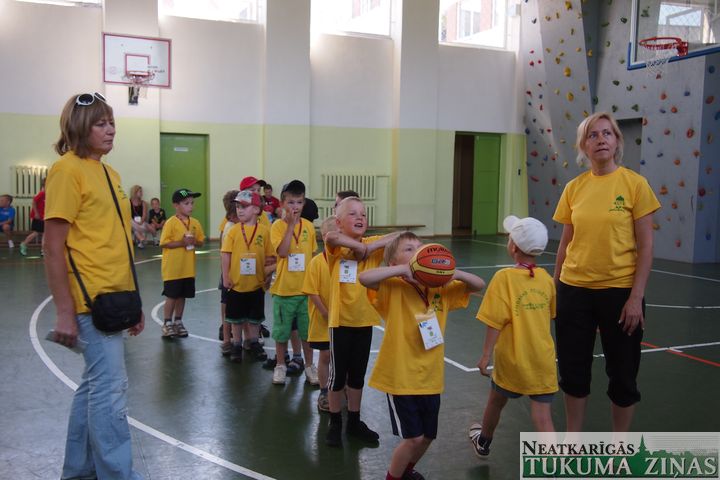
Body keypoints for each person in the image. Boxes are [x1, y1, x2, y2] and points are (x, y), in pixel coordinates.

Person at [43, 91, 144, 479]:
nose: (110, 130)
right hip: (90, 301)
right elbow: (53, 247)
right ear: (80, 127)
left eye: (112, 122)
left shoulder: (109, 173)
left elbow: (117, 241)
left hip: (117, 297)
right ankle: (117, 474)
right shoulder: (66, 170)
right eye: (101, 124)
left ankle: (79, 470)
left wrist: (135, 303)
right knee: (110, 389)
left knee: (95, 386)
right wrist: (64, 311)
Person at [553, 112, 660, 432]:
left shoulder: (635, 185)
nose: (600, 140)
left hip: (620, 293)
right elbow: (565, 243)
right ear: (583, 146)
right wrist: (555, 289)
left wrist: (636, 298)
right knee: (573, 372)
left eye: (607, 133)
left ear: (617, 142)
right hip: (574, 291)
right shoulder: (574, 188)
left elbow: (646, 247)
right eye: (592, 135)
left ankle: (619, 445)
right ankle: (573, 440)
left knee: (623, 375)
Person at [360, 232, 485, 480]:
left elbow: (478, 284)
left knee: (427, 436)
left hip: (430, 377)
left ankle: (406, 471)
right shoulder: (392, 286)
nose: (417, 252)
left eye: (420, 248)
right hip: (400, 376)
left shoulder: (441, 288)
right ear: (394, 262)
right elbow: (365, 277)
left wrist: (454, 273)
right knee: (413, 438)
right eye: (409, 249)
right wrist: (401, 271)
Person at [468, 215, 556, 458]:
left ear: (514, 247)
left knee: (496, 402)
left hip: (512, 360)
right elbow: (550, 313)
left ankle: (483, 442)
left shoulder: (504, 278)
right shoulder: (546, 280)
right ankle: (554, 464)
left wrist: (486, 355)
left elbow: (494, 321)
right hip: (543, 360)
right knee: (543, 417)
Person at [323, 196, 401, 447]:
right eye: (353, 214)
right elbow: (330, 237)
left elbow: (400, 235)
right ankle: (335, 421)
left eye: (363, 214)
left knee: (357, 376)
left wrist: (369, 246)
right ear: (339, 222)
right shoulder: (337, 249)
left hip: (365, 322)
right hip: (340, 323)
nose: (360, 218)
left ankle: (354, 422)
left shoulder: (370, 245)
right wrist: (359, 248)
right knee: (337, 378)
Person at [268, 180, 319, 385]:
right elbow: (282, 252)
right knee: (282, 333)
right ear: (282, 204)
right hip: (284, 291)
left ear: (303, 203)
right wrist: (290, 226)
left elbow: (313, 257)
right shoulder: (277, 226)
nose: (295, 207)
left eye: (299, 202)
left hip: (305, 292)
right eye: (290, 202)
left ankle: (309, 366)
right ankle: (280, 365)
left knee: (307, 333)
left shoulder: (309, 227)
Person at [221, 190, 275, 362]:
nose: (240, 210)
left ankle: (254, 342)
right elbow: (225, 254)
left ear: (257, 210)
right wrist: (225, 277)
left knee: (254, 318)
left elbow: (270, 257)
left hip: (256, 284)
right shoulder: (233, 231)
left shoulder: (264, 232)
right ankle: (237, 344)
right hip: (236, 284)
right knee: (236, 318)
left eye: (244, 206)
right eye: (238, 207)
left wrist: (268, 278)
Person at [301, 215, 338, 411]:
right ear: (324, 237)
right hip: (323, 321)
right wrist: (324, 312)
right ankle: (324, 391)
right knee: (325, 356)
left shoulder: (345, 261)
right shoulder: (316, 262)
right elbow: (311, 290)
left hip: (342, 321)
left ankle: (340, 388)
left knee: (341, 357)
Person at [159, 188, 206, 339]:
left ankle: (178, 321)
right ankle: (167, 323)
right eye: (186, 203)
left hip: (188, 268)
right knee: (172, 296)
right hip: (173, 269)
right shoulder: (171, 223)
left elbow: (201, 242)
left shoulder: (195, 223)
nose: (190, 206)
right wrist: (182, 242)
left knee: (182, 296)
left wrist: (194, 241)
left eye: (192, 203)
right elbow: (164, 243)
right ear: (176, 205)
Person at [218, 190, 240, 356]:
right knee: (229, 309)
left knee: (230, 308)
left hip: (232, 274)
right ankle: (227, 339)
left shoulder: (230, 226)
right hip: (231, 275)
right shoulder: (231, 229)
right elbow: (227, 253)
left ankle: (230, 339)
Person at [20, 179, 46, 256]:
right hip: (39, 217)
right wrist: (36, 213)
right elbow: (34, 202)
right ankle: (24, 244)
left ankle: (43, 250)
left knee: (45, 233)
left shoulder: (48, 193)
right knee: (36, 233)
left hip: (44, 216)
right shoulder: (42, 193)